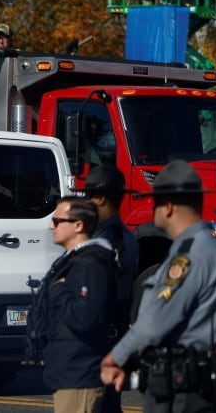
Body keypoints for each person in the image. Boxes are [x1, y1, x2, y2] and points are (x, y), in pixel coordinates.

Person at [100, 159, 216, 413]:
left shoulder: (186, 257)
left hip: (177, 389)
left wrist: (116, 357)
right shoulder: (214, 251)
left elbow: (154, 322)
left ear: (169, 206)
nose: (153, 209)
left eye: (155, 203)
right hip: (200, 382)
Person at [40, 196, 118, 413]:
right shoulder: (75, 261)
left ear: (78, 225)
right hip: (68, 373)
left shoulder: (91, 264)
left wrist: (59, 290)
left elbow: (85, 318)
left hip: (80, 374)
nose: (50, 226)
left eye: (56, 221)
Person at [81, 165, 139, 413]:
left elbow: (96, 290)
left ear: (101, 198)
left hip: (102, 332)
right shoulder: (113, 235)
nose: (85, 202)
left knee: (98, 404)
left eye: (89, 196)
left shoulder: (108, 241)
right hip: (108, 330)